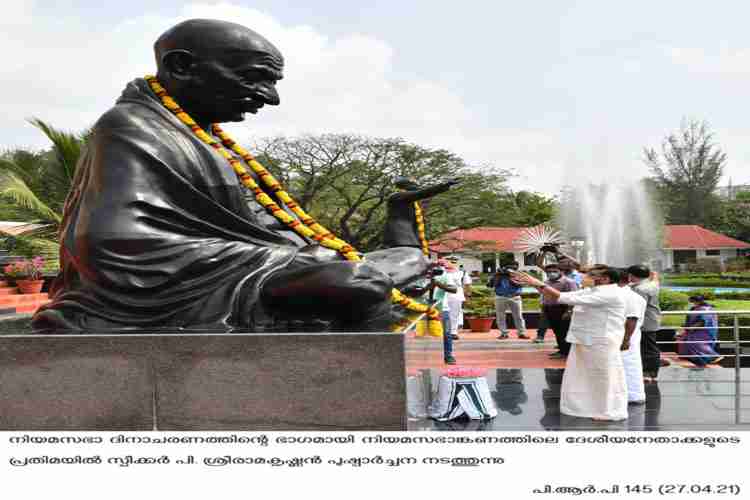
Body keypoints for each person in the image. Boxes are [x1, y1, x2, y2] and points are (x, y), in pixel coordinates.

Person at [32, 19, 430, 333]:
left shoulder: (204, 136)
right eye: (255, 78)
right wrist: (282, 261)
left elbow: (266, 226)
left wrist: (312, 255)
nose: (270, 96)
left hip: (275, 264)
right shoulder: (129, 127)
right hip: (194, 283)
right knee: (357, 283)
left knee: (407, 258)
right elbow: (112, 243)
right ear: (181, 67)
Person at [511, 265, 628, 421]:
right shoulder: (593, 291)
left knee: (603, 376)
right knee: (582, 375)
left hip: (601, 340)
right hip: (585, 339)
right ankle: (586, 407)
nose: (584, 277)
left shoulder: (611, 293)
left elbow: (564, 298)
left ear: (605, 279)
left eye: (590, 275)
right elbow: (560, 296)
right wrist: (536, 285)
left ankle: (608, 410)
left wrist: (537, 283)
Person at [382, 176, 459, 249]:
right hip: (399, 233)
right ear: (405, 185)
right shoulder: (398, 196)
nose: (417, 187)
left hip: (409, 233)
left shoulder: (410, 200)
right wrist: (443, 185)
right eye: (414, 185)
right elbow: (422, 193)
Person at [627, 265, 662, 382]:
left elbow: (637, 307)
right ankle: (650, 372)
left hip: (645, 322)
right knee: (650, 346)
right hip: (652, 320)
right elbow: (656, 280)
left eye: (630, 274)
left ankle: (649, 373)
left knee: (647, 348)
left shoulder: (640, 290)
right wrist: (654, 275)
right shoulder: (651, 285)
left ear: (633, 276)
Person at [618, 269, 647, 404]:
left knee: (628, 366)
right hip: (624, 336)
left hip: (627, 337)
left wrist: (626, 340)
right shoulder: (622, 294)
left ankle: (633, 396)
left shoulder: (631, 297)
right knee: (624, 366)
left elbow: (632, 319)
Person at [538, 262, 578, 359]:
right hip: (549, 309)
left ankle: (566, 352)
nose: (551, 273)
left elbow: (573, 297)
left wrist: (569, 311)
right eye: (549, 272)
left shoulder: (569, 282)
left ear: (561, 271)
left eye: (554, 271)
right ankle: (561, 349)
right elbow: (544, 295)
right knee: (556, 331)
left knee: (563, 331)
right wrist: (544, 307)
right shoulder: (546, 282)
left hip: (563, 309)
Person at [676, 295, 722, 367]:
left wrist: (692, 328)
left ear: (696, 301)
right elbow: (689, 319)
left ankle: (713, 356)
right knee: (683, 338)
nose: (690, 303)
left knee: (694, 341)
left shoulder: (705, 309)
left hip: (704, 331)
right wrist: (686, 327)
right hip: (693, 330)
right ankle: (693, 358)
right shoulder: (694, 308)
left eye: (691, 301)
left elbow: (703, 321)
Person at [487, 262, 528, 340]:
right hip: (500, 297)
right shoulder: (498, 275)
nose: (511, 270)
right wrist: (497, 275)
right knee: (500, 316)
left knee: (519, 316)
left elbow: (523, 283)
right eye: (509, 268)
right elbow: (490, 284)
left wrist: (513, 276)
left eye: (514, 268)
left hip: (515, 297)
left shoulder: (519, 274)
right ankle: (504, 333)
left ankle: (521, 333)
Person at [444, 256, 472, 341]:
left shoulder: (462, 272)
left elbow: (467, 284)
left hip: (457, 296)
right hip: (443, 295)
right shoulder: (441, 271)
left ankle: (453, 332)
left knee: (455, 314)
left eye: (454, 262)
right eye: (450, 261)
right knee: (443, 314)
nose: (452, 263)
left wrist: (468, 296)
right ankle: (444, 331)